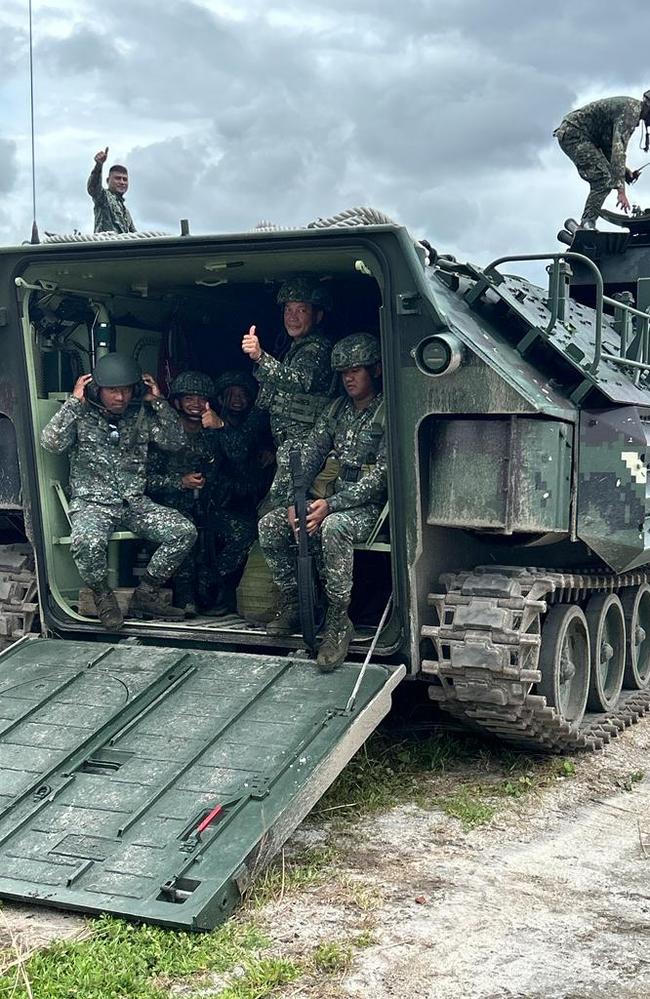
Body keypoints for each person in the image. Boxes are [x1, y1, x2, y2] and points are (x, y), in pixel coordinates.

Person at [258, 333, 386, 672]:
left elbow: (381, 479)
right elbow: (312, 452)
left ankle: (338, 620)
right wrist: (293, 502)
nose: (348, 378)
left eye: (355, 370)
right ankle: (296, 604)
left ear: (374, 370)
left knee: (333, 527)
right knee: (270, 524)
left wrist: (331, 505)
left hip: (371, 508)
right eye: (343, 372)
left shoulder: (387, 411)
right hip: (330, 500)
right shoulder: (336, 410)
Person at [41, 352, 196, 631]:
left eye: (125, 390)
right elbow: (51, 442)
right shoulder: (81, 416)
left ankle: (145, 594)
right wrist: (74, 403)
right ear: (97, 390)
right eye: (113, 390)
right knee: (87, 541)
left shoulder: (142, 417)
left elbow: (176, 441)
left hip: (134, 504)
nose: (120, 397)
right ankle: (102, 595)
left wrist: (158, 402)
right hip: (93, 504)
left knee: (184, 531)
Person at [147, 370, 224, 613]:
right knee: (187, 532)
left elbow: (235, 460)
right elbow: (144, 482)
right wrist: (180, 482)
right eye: (189, 398)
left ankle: (215, 594)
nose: (196, 405)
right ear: (177, 402)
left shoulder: (210, 434)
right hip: (169, 507)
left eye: (201, 399)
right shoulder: (163, 437)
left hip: (207, 505)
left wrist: (221, 427)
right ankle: (185, 597)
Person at [241, 275, 334, 449]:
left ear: (318, 316)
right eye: (288, 310)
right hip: (291, 446)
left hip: (304, 446)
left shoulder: (317, 350)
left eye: (301, 310)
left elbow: (297, 380)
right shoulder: (294, 348)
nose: (292, 317)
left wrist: (261, 357)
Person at [554, 91, 650, 229]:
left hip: (578, 135)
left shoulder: (631, 108)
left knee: (608, 176)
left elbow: (608, 147)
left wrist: (624, 172)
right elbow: (618, 150)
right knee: (603, 179)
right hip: (575, 135)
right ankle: (587, 223)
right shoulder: (631, 112)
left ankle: (587, 222)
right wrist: (621, 191)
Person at [87, 147, 136, 234]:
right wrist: (99, 166)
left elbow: (135, 236)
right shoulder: (103, 197)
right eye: (118, 178)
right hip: (106, 245)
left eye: (125, 179)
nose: (122, 182)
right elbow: (93, 188)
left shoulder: (126, 212)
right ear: (107, 180)